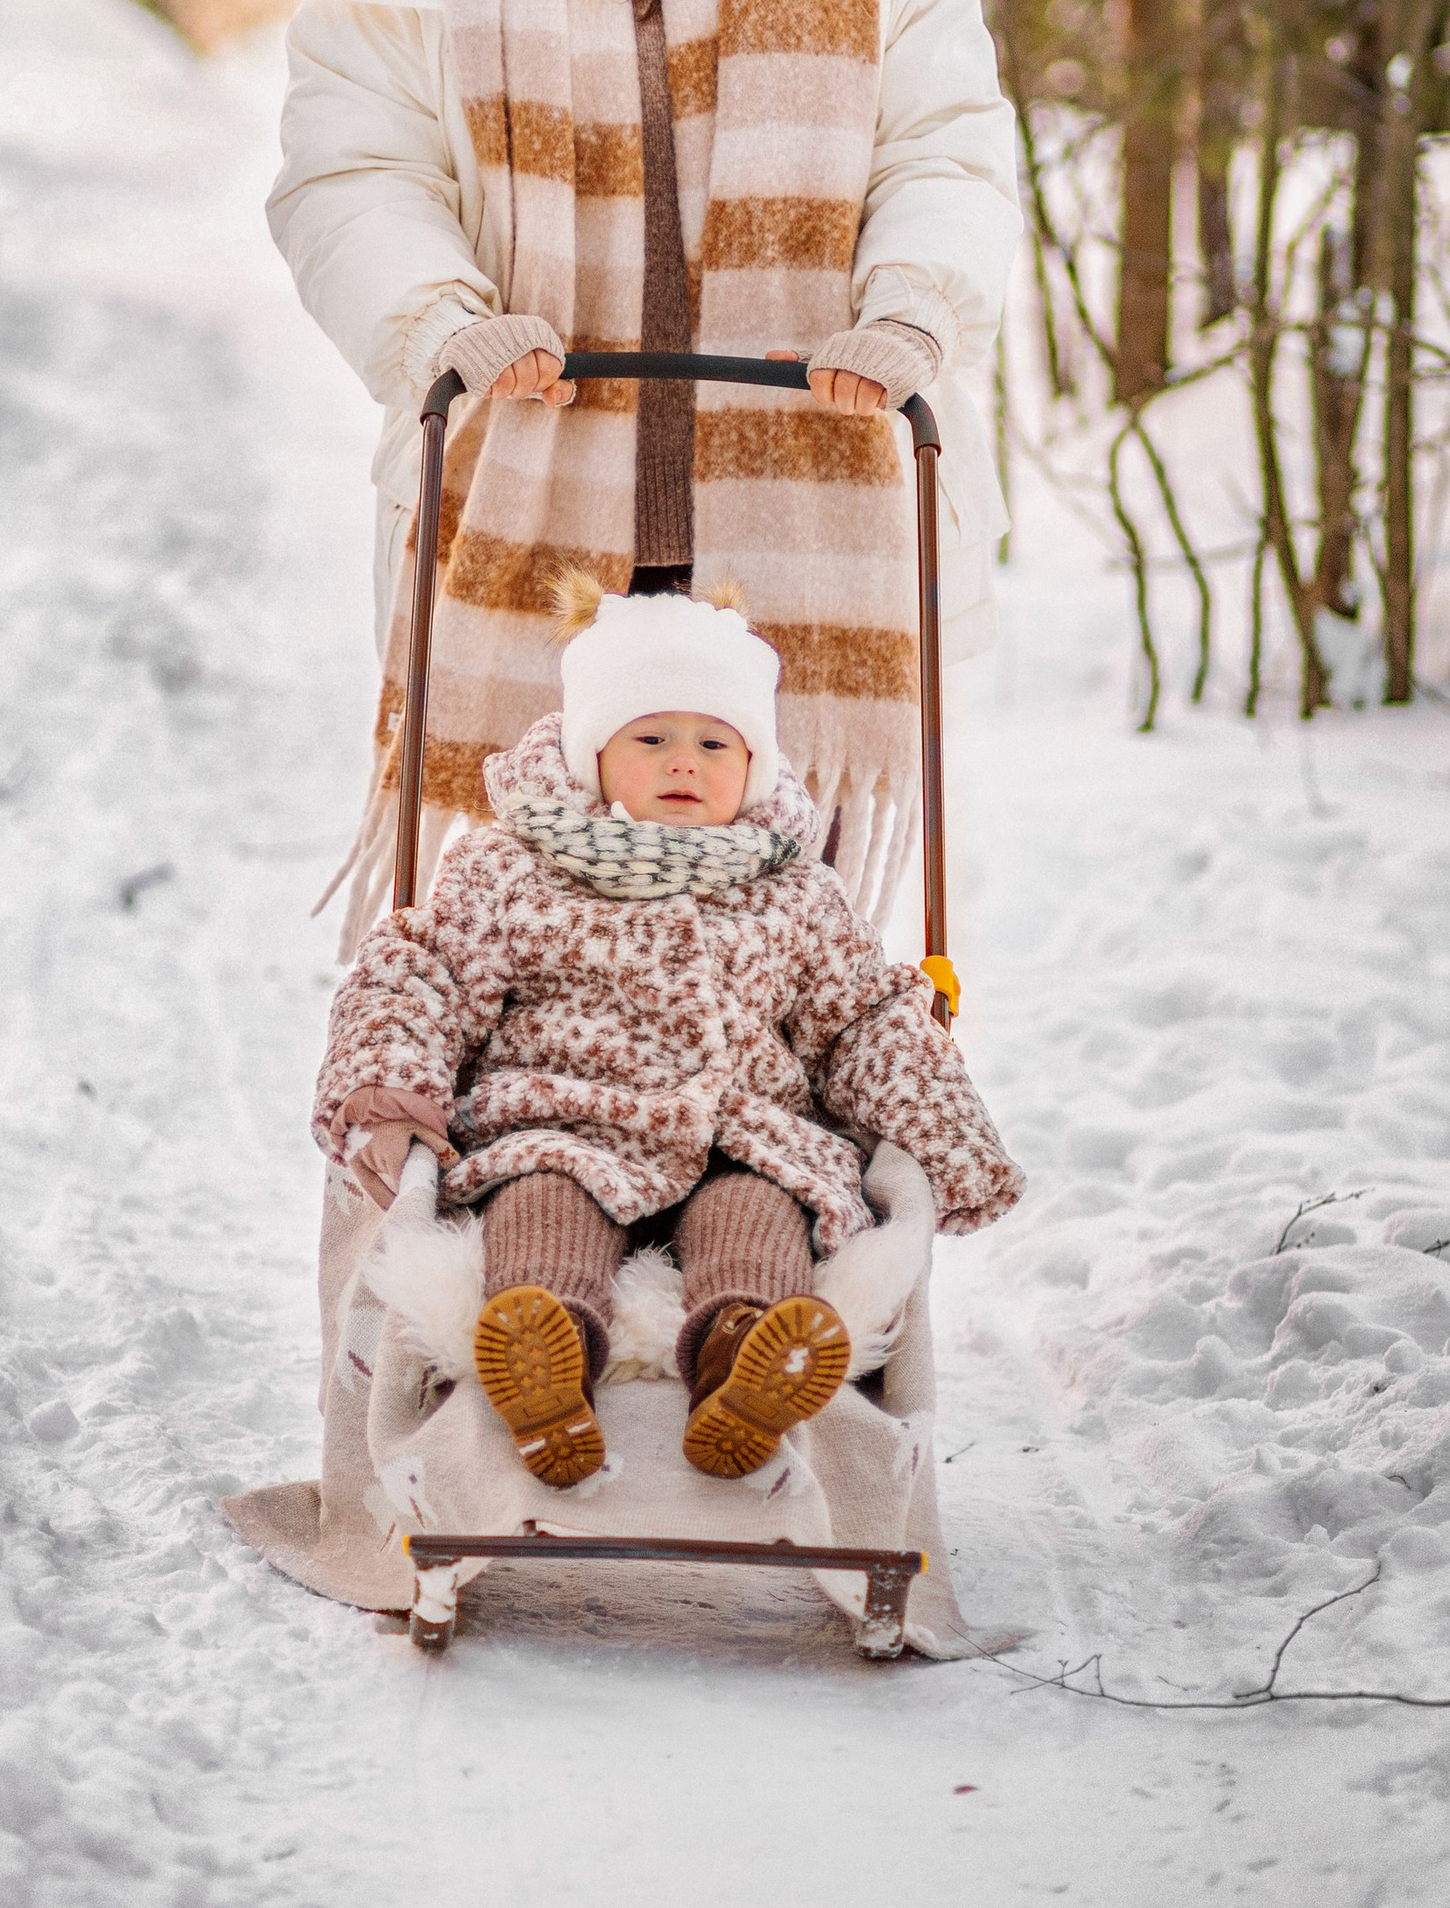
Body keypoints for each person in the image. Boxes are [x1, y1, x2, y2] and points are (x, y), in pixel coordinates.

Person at [268, 0, 1022, 943]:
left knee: (777, 929)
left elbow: (946, 143)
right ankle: (530, 1159)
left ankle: (770, 1167)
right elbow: (353, 168)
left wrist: (910, 311)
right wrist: (438, 322)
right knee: (533, 913)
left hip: (805, 469)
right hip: (535, 477)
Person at [313, 587, 1019, 1488]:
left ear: (754, 765)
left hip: (743, 1134)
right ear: (592, 753)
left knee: (763, 1211)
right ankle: (544, 1349)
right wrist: (390, 1081)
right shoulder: (512, 868)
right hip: (562, 1120)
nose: (685, 760)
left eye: (715, 743)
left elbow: (863, 1017)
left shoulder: (795, 891)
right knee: (541, 1202)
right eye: (652, 737)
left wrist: (946, 1134)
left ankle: (747, 1356)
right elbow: (420, 971)